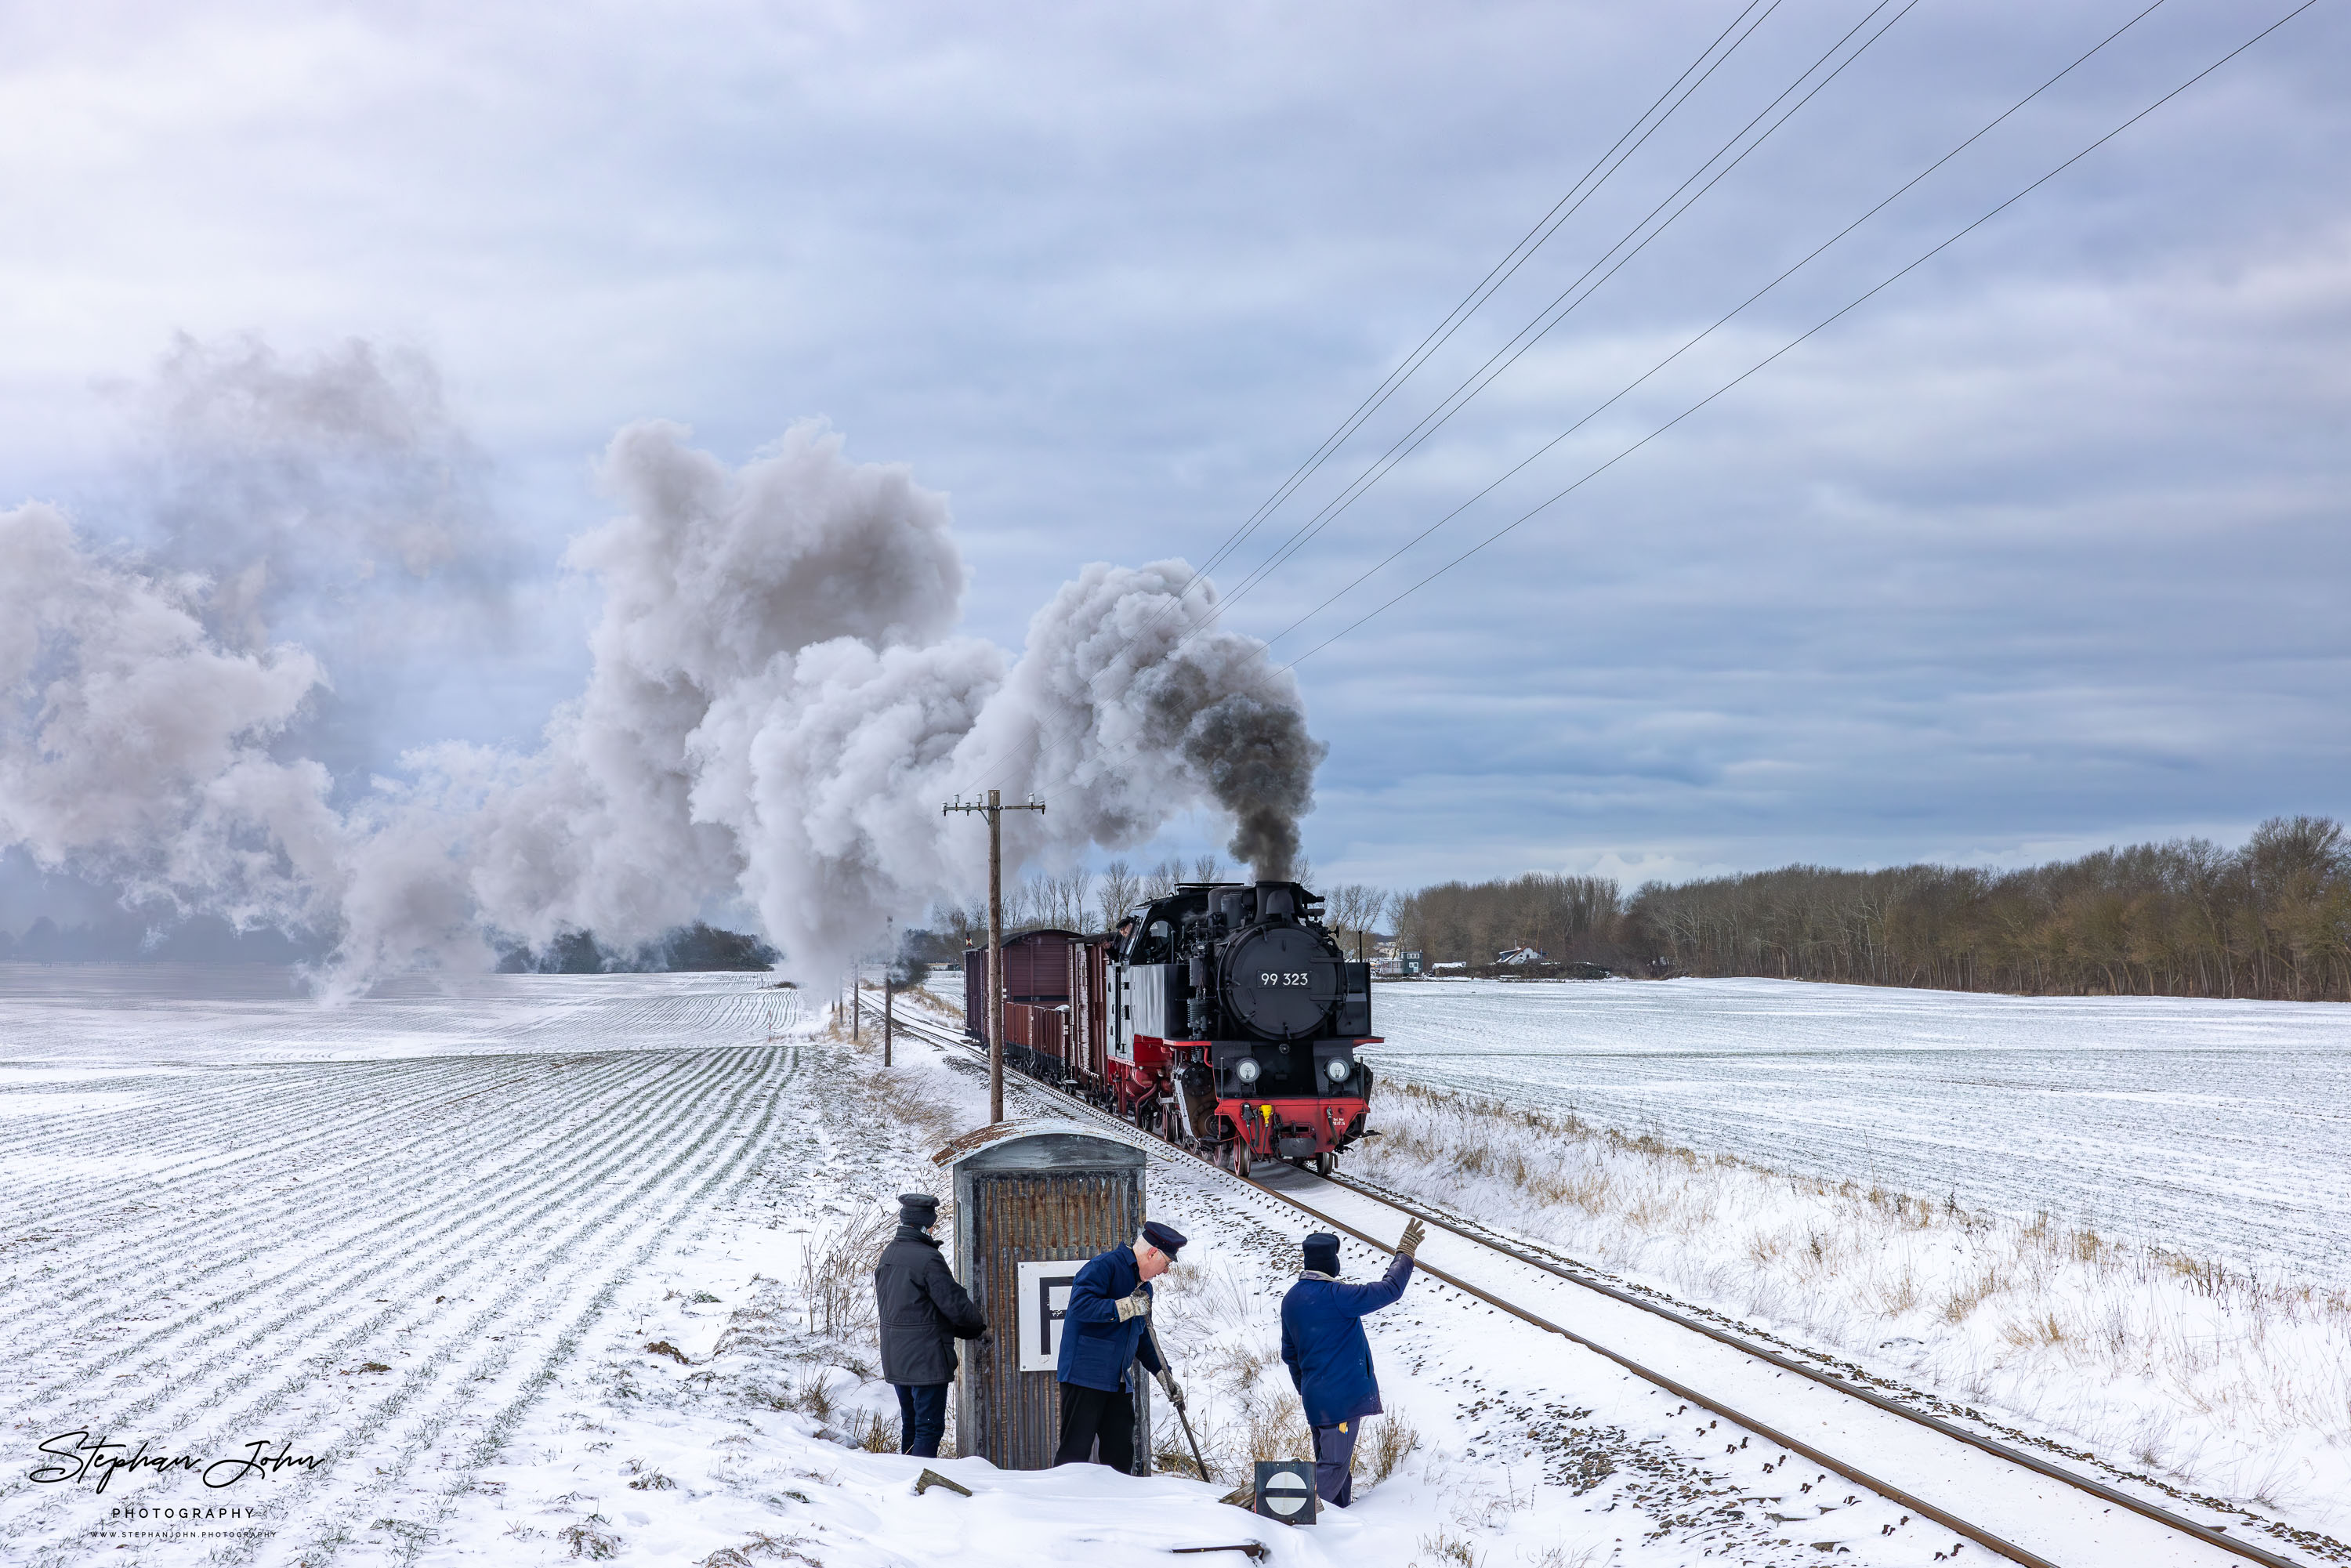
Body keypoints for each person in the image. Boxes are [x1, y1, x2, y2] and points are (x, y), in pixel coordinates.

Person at [1279, 1219, 1425, 1508]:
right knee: (1332, 1467)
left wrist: (1307, 1388)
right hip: (1340, 1402)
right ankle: (1291, 1517)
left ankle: (1339, 1517)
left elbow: (1289, 1355)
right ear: (1331, 1264)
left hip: (1315, 1399)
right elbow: (1390, 1290)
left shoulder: (1291, 1299)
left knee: (1335, 1464)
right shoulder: (1337, 1297)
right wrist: (1405, 1253)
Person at [1052, 1219, 1188, 1470]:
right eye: (1166, 1263)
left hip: (1117, 1383)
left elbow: (1144, 1337)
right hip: (1084, 1377)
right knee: (1074, 1453)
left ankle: (1117, 1506)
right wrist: (1125, 1306)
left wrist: (1164, 1376)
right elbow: (1080, 1307)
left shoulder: (1145, 1289)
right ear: (1152, 1253)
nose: (1166, 1271)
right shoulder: (1104, 1267)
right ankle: (1063, 1504)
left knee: (1120, 1456)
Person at [874, 1192, 987, 1458]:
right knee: (929, 1427)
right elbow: (954, 1305)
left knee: (911, 1424)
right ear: (928, 1224)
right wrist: (975, 1327)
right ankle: (921, 1488)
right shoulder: (928, 1259)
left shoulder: (890, 1253)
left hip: (896, 1355)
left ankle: (908, 1483)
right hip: (925, 1359)